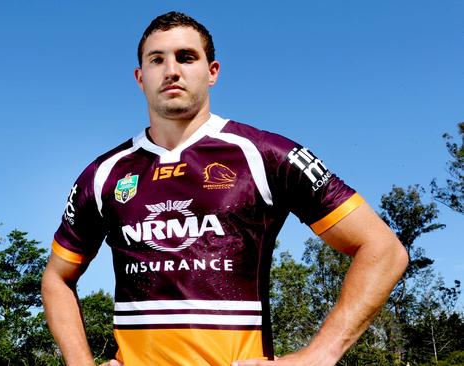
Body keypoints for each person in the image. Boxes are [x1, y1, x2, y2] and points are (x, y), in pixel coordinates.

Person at [41, 11, 408, 366]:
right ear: (140, 77)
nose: (171, 71)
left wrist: (317, 357)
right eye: (157, 60)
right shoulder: (104, 174)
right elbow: (57, 277)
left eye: (186, 57)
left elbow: (383, 249)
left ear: (212, 72)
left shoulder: (264, 154)